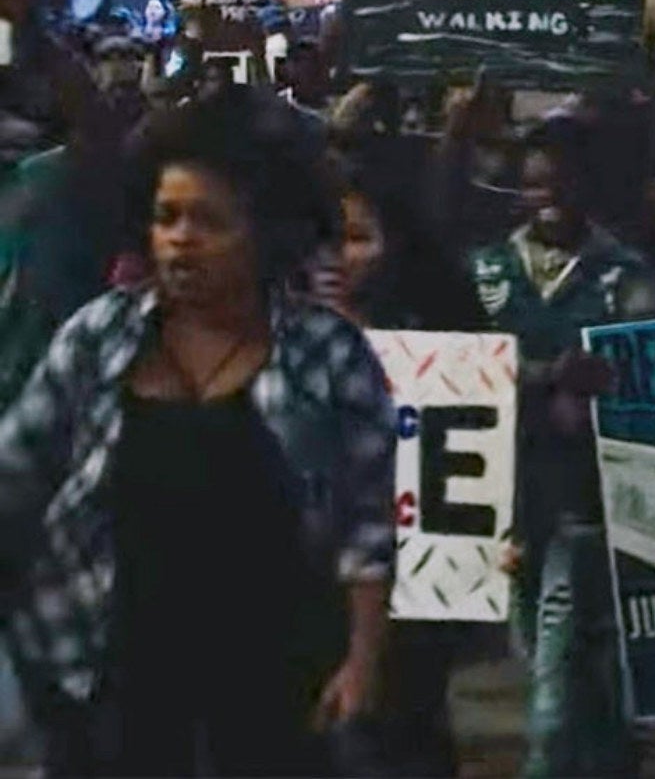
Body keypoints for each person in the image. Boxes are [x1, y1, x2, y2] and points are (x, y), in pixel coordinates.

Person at [0, 90, 394, 775]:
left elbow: (366, 528)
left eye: (209, 221)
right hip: (107, 678)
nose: (180, 237)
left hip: (277, 684)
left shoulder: (330, 355)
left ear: (269, 231)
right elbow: (15, 473)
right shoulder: (98, 336)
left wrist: (362, 662)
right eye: (166, 217)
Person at [468, 120, 655, 779]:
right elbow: (461, 366)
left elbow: (645, 368)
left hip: (591, 502)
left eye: (561, 181)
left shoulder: (626, 273)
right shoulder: (486, 271)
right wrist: (547, 376)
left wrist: (600, 383)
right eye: (533, 184)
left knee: (553, 684)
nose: (547, 195)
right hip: (503, 499)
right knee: (550, 657)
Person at [312, 158, 488, 778]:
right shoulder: (263, 339)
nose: (334, 258)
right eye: (322, 238)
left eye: (356, 239)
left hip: (416, 605)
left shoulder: (437, 342)